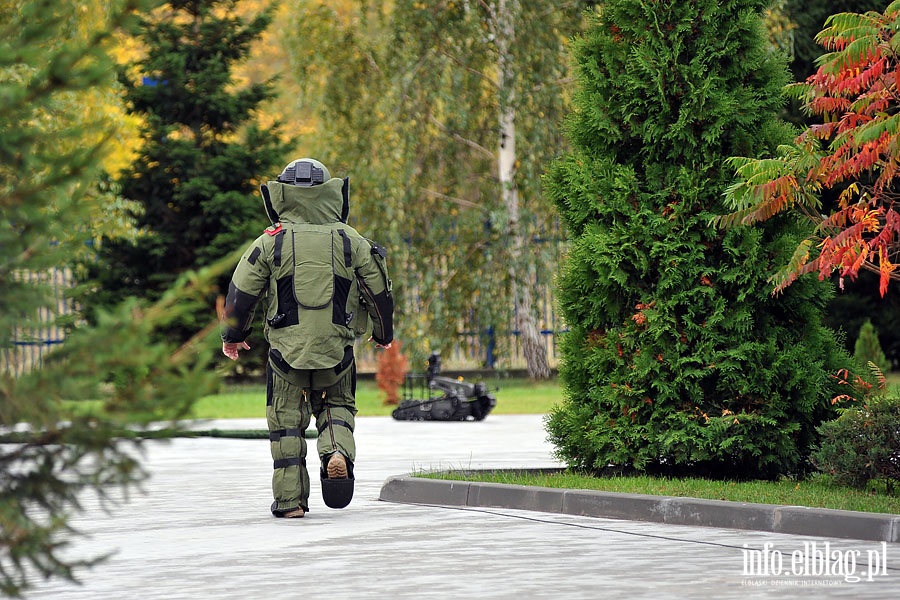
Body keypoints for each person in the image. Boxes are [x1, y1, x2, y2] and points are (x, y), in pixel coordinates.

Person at [221, 158, 393, 518]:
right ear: (330, 194)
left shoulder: (271, 242)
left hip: (285, 354)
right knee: (337, 410)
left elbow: (241, 292)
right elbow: (378, 290)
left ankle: (290, 503)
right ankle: (335, 452)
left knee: (285, 423)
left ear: (283, 194)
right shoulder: (351, 240)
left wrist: (233, 336)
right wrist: (383, 333)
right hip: (337, 354)